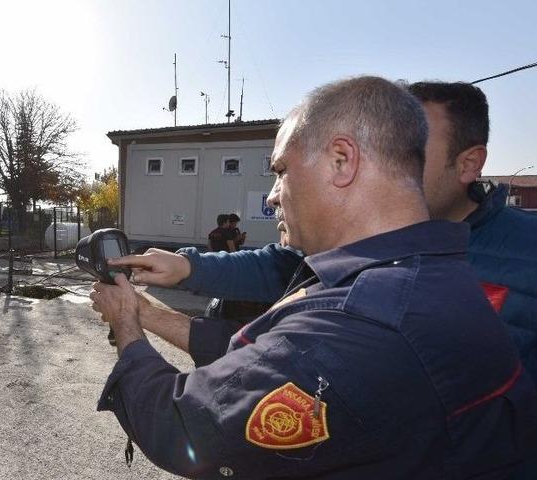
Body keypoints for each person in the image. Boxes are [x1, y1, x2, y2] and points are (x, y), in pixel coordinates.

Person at [90, 76, 537, 478]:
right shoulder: (428, 269)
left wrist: (127, 323)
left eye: (281, 171)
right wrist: (149, 309)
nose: (271, 196)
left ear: (343, 161)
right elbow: (261, 355)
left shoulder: (359, 317)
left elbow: (182, 424)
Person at [127, 81, 537, 384]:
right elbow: (277, 267)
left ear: (468, 163)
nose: (392, 157)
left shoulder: (525, 252)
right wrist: (185, 266)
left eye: (414, 148)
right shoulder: (362, 241)